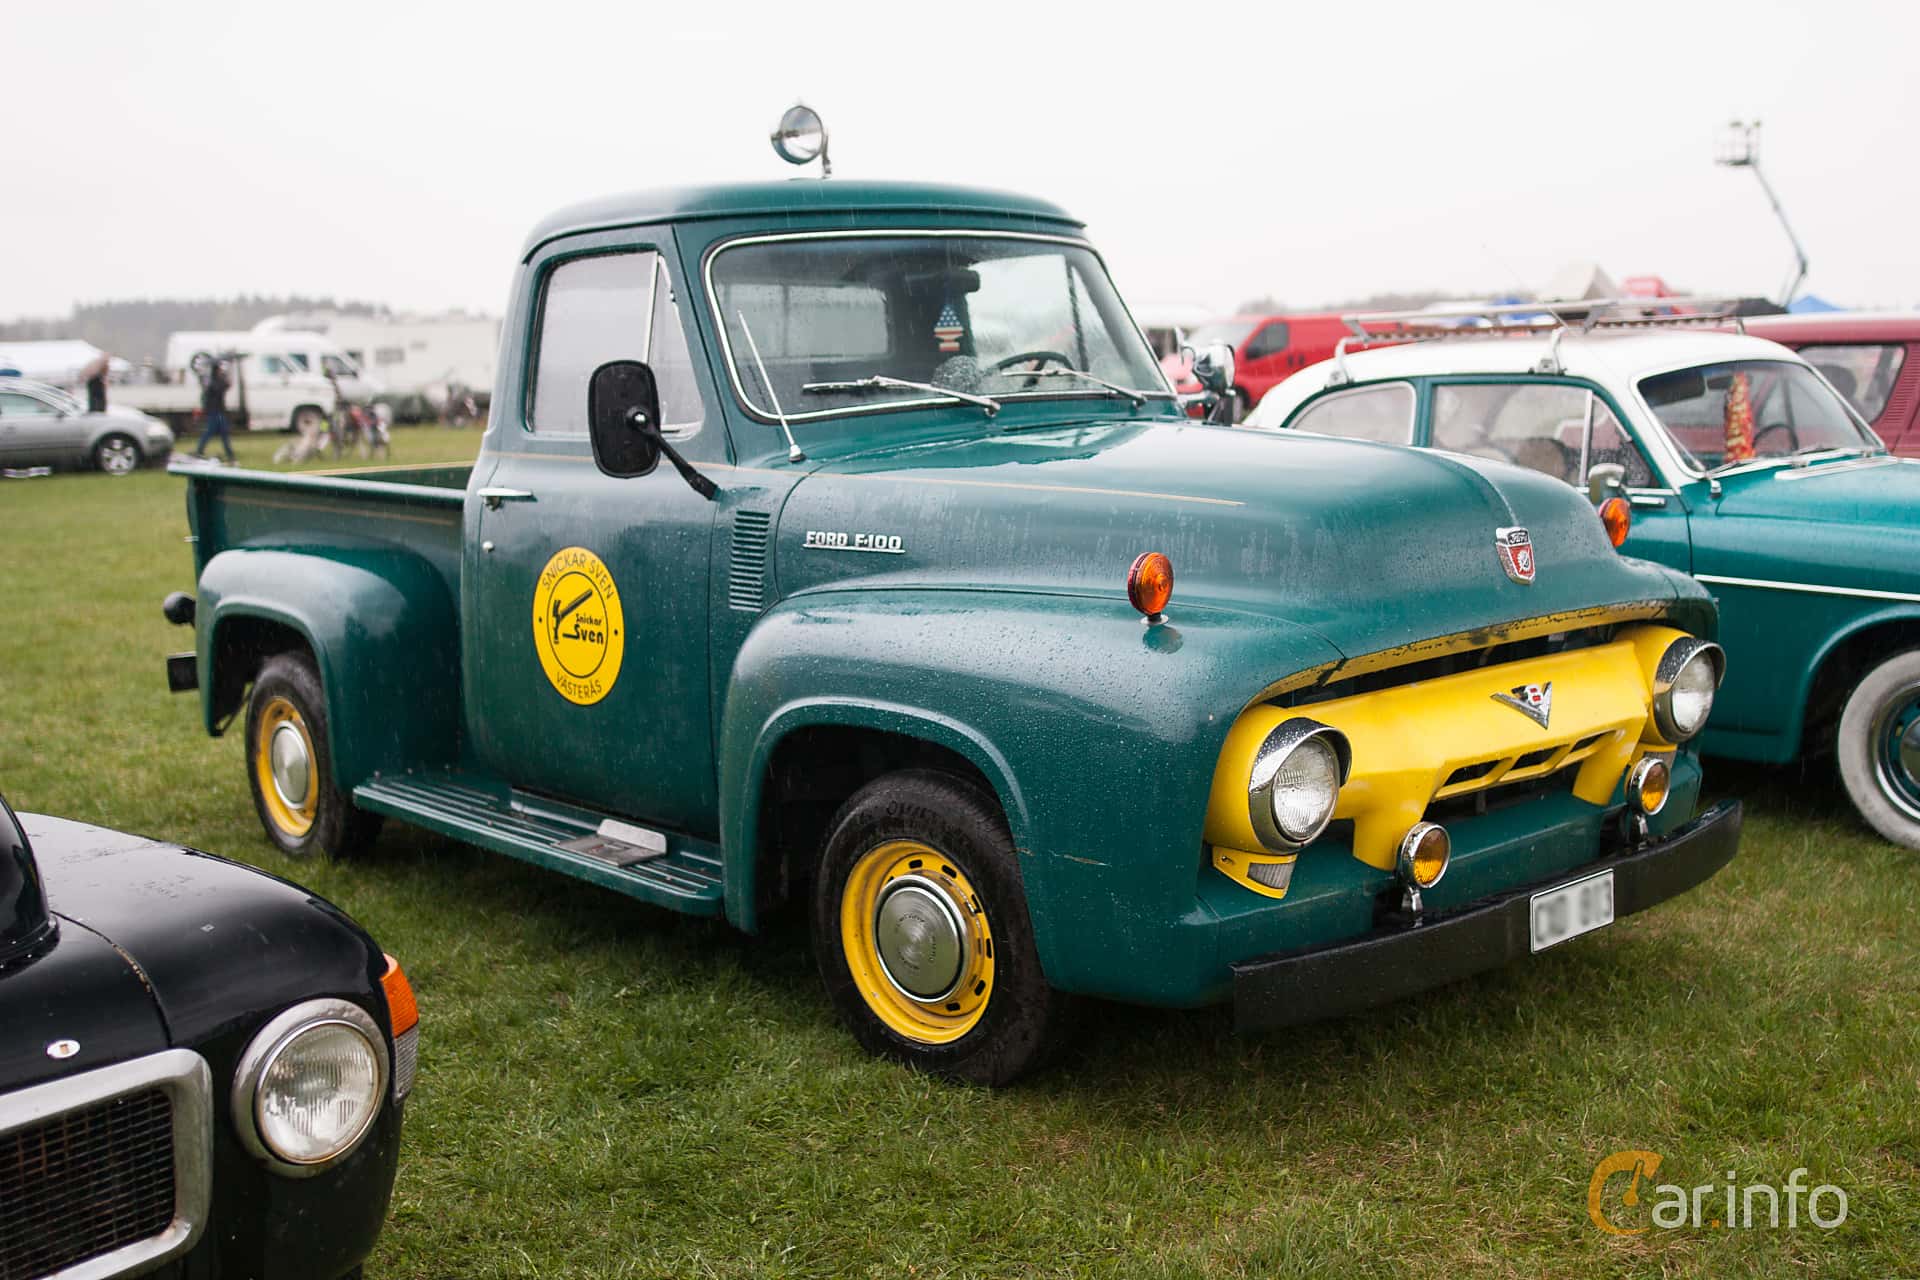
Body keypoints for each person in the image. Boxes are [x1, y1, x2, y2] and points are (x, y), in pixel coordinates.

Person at [192, 359, 235, 463]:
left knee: (220, 433)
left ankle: (229, 454)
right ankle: (200, 451)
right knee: (214, 432)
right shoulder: (215, 382)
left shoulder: (213, 381)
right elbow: (225, 386)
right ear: (216, 370)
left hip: (217, 411)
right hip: (216, 411)